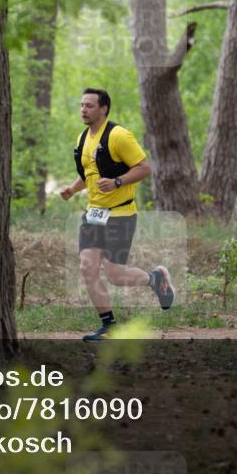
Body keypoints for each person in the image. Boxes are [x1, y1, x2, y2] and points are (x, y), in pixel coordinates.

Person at [60, 88, 175, 342]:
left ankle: (155, 279)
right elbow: (89, 173)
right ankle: (109, 327)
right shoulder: (82, 138)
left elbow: (144, 168)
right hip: (94, 214)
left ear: (104, 109)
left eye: (89, 106)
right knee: (88, 268)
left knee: (115, 275)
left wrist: (117, 182)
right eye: (82, 105)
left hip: (120, 214)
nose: (83, 110)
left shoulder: (119, 136)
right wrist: (72, 189)